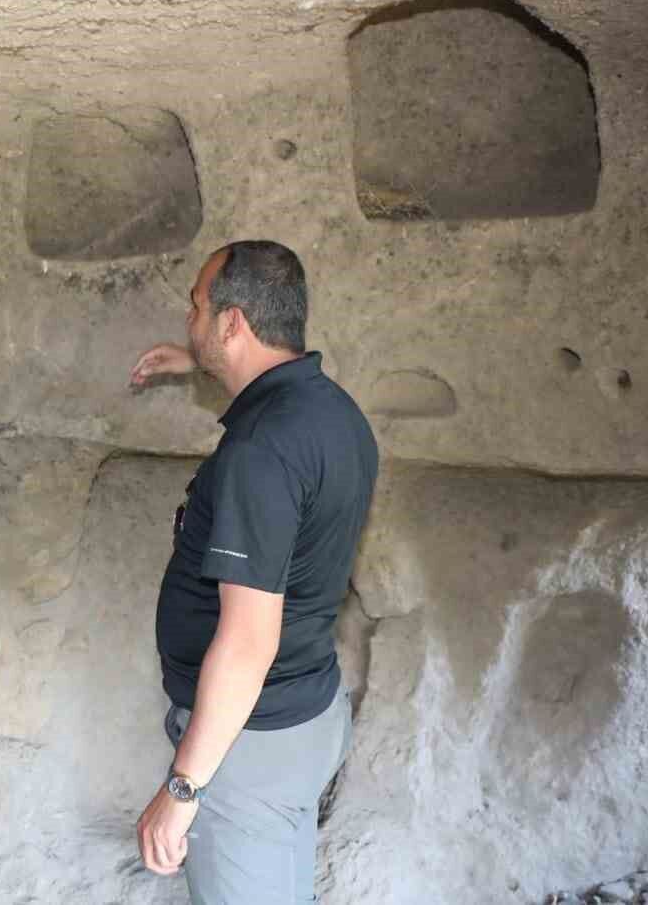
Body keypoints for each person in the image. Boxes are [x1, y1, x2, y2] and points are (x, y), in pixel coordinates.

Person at [129, 240, 378, 904]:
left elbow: (247, 640)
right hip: (302, 715)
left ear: (234, 323)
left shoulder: (260, 449)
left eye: (197, 307)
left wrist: (183, 789)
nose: (189, 317)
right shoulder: (334, 414)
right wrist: (200, 359)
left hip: (250, 748)